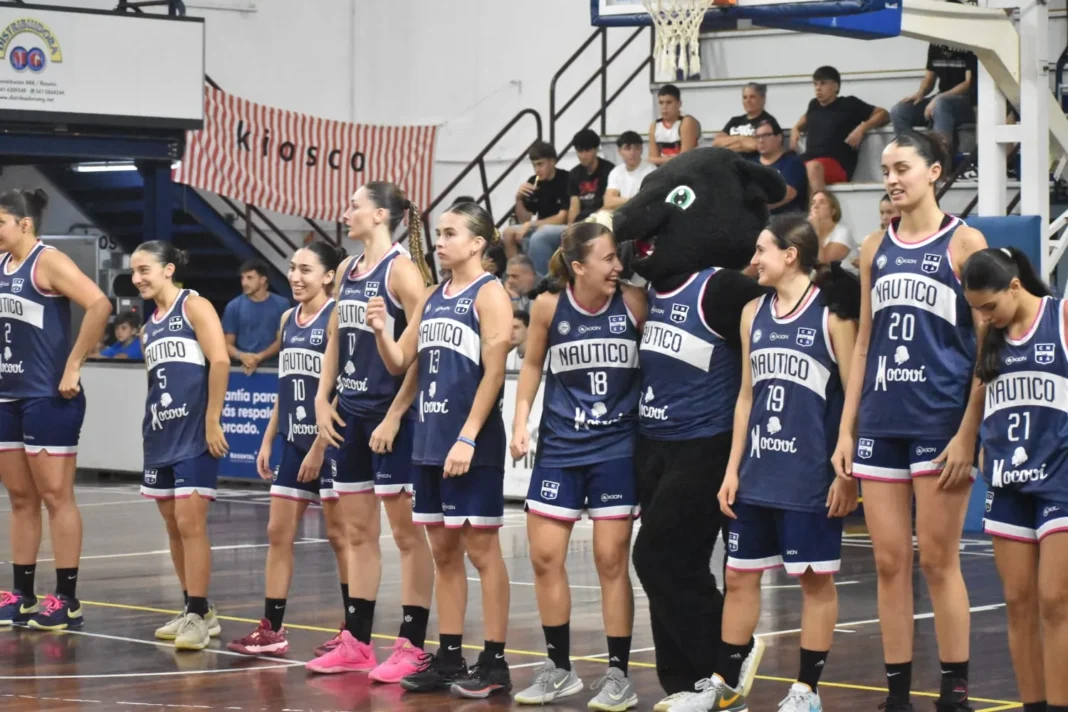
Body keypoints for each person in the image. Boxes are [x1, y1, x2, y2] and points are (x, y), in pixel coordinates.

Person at [673, 215, 859, 712]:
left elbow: (853, 390)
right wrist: (732, 469)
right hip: (757, 469)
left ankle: (806, 691)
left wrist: (847, 467)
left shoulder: (832, 312)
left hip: (810, 473)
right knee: (738, 576)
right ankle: (724, 680)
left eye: (761, 251)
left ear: (790, 255)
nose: (753, 261)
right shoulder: (753, 312)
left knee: (814, 580)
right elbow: (745, 397)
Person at [830, 131, 988, 712]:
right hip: (879, 421)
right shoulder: (874, 246)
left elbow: (984, 346)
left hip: (939, 424)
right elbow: (865, 345)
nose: (892, 178)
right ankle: (897, 693)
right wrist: (847, 431)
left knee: (938, 560)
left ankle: (955, 691)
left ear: (935, 172)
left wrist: (968, 432)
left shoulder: (965, 242)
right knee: (889, 561)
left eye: (903, 167)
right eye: (886, 168)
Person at [366, 202, 514, 698]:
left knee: (481, 551)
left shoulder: (490, 293)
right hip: (428, 440)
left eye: (451, 233)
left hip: (470, 443)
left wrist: (469, 435)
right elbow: (400, 363)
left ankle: (494, 662)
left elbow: (494, 372)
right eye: (439, 233)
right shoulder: (430, 296)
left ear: (478, 242)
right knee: (444, 551)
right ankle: (449, 656)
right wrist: (382, 332)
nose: (441, 241)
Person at [510, 222, 646, 709]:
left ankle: (618, 674)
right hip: (561, 447)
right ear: (579, 266)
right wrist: (520, 421)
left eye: (617, 258)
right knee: (545, 558)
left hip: (616, 449)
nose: (617, 266)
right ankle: (559, 669)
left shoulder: (633, 303)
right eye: (608, 259)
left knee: (612, 562)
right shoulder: (549, 305)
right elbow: (531, 364)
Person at [307, 182, 436, 683]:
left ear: (381, 214)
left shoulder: (403, 270)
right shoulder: (346, 270)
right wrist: (323, 396)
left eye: (353, 205)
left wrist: (396, 414)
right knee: (358, 532)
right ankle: (358, 642)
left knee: (405, 537)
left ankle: (411, 643)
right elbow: (337, 333)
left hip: (391, 418)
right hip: (351, 413)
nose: (345, 211)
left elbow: (421, 351)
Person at [227, 243, 348, 658]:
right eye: (293, 268)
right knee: (277, 533)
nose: (296, 276)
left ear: (329, 276)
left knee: (340, 538)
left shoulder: (336, 316)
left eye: (306, 270)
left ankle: (353, 630)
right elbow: (285, 386)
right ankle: (272, 628)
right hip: (293, 441)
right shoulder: (286, 318)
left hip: (329, 444)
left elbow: (342, 390)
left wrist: (318, 445)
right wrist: (267, 438)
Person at [961, 247, 1068, 712]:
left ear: (1016, 287)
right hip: (1007, 479)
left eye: (990, 305)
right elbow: (982, 391)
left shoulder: (1060, 316)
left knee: (1055, 600)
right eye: (976, 308)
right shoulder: (992, 332)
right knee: (1018, 603)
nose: (984, 316)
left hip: (1060, 475)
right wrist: (972, 440)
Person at [0, 189, 111, 630]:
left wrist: (74, 362)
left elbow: (100, 303)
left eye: (0, 222)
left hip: (48, 396)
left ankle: (67, 598)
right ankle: (21, 594)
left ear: (24, 224)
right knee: (20, 499)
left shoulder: (47, 261)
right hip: (8, 395)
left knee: (55, 497)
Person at [135, 241, 230, 650]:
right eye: (134, 272)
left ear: (168, 269)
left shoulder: (193, 305)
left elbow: (221, 360)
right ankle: (196, 609)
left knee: (192, 526)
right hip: (160, 436)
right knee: (173, 527)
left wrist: (212, 420)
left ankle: (198, 612)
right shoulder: (147, 328)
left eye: (145, 270)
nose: (137, 278)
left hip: (194, 435)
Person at [791, 66, 890, 193]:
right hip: (810, 159)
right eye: (815, 84)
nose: (817, 88)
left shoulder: (849, 104)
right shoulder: (814, 105)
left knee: (813, 167)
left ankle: (819, 209)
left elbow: (883, 114)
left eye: (823, 83)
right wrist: (795, 128)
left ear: (836, 86)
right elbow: (804, 119)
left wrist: (862, 128)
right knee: (784, 168)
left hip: (837, 164)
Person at [503, 141, 570, 263]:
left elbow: (562, 218)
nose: (537, 170)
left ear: (552, 161)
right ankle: (516, 271)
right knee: (508, 233)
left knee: (538, 236)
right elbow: (525, 219)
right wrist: (519, 199)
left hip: (559, 227)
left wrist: (531, 225)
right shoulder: (533, 182)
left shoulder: (566, 179)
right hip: (539, 225)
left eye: (540, 164)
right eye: (534, 166)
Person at [222, 258, 291, 374]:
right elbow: (226, 343)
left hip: (274, 369)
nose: (244, 283)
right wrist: (242, 356)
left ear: (263, 280)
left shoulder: (282, 304)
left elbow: (283, 341)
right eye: (242, 278)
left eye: (249, 278)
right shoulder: (233, 306)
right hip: (241, 369)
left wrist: (259, 357)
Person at [752, 117, 808, 215]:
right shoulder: (751, 165)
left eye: (766, 135)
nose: (761, 140)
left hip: (786, 220)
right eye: (757, 136)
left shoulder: (792, 163)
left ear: (779, 137)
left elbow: (788, 194)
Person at [713, 83, 777, 158]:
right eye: (745, 97)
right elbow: (716, 142)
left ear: (763, 99)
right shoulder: (735, 120)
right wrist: (741, 139)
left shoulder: (768, 122)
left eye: (752, 97)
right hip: (730, 164)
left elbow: (755, 145)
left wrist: (729, 143)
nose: (748, 101)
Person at [809, 190, 859, 274]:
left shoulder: (842, 232)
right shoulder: (808, 232)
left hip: (845, 281)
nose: (815, 206)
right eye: (813, 203)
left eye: (822, 202)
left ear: (833, 211)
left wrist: (816, 230)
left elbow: (823, 263)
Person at [603, 131, 657, 211]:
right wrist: (632, 200)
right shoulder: (616, 171)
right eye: (627, 148)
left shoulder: (651, 171)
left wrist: (619, 201)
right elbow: (608, 202)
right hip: (621, 213)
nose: (632, 152)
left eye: (636, 148)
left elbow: (647, 201)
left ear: (641, 149)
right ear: (619, 151)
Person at [649, 84, 701, 165]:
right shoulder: (654, 126)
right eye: (661, 103)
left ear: (679, 104)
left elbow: (685, 158)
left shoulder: (687, 122)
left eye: (669, 102)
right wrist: (668, 160)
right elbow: (651, 159)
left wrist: (662, 160)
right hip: (666, 170)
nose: (664, 107)